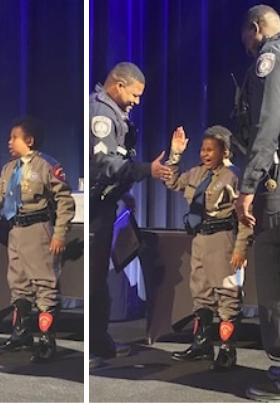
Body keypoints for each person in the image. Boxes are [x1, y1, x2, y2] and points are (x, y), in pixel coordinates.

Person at [232, 5, 280, 401]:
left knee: (279, 276)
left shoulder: (272, 55)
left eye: (246, 37)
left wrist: (248, 185)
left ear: (255, 29)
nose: (246, 45)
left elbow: (267, 123)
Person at [0, 116, 75, 363]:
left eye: (14, 137)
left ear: (29, 140)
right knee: (18, 283)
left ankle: (46, 341)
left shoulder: (46, 166)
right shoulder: (9, 169)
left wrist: (59, 233)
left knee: (45, 284)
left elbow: (65, 201)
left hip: (39, 229)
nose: (9, 142)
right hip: (16, 231)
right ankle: (21, 334)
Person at [88, 62, 173, 368]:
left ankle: (99, 340)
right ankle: (91, 346)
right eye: (135, 94)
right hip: (96, 207)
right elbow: (103, 165)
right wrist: (145, 170)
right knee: (93, 277)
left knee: (99, 275)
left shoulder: (116, 114)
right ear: (119, 85)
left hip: (108, 203)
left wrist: (124, 191)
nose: (137, 101)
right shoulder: (100, 112)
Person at [163, 125, 253, 371]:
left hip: (223, 238)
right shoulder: (196, 173)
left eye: (210, 150)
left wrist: (240, 248)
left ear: (224, 151)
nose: (204, 154)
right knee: (200, 292)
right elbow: (171, 181)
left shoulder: (234, 176)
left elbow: (246, 216)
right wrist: (175, 154)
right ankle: (201, 344)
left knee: (227, 293)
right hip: (200, 239)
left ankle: (227, 350)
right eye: (202, 149)